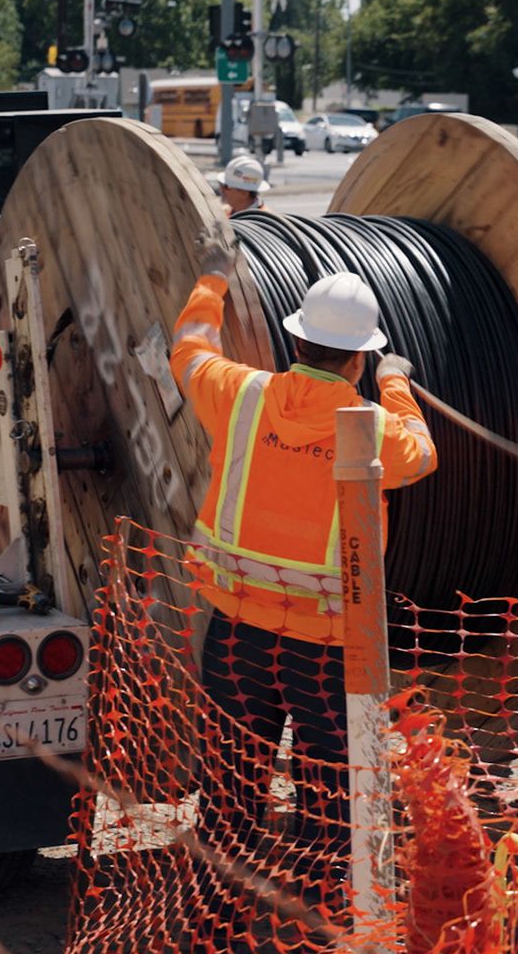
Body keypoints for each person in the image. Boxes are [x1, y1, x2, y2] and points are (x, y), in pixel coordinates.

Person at [170, 234, 435, 914]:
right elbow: (423, 453)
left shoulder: (241, 394)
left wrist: (213, 278)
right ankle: (316, 924)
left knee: (229, 793)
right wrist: (396, 382)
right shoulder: (373, 426)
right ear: (358, 357)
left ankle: (214, 926)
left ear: (295, 341)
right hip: (324, 651)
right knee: (328, 797)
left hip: (236, 636)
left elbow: (189, 349)